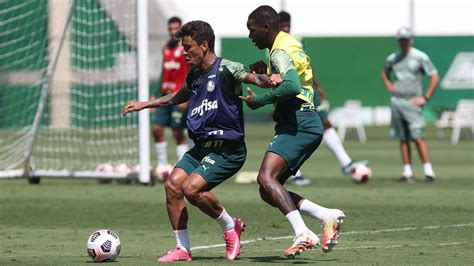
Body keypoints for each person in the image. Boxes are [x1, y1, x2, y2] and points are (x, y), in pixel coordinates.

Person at [123, 20, 281, 262]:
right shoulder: (195, 74)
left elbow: (254, 78)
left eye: (188, 47)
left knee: (191, 189)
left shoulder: (227, 68)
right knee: (173, 185)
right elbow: (179, 96)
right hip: (201, 148)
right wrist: (146, 104)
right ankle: (182, 249)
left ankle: (231, 228)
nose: (184, 53)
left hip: (228, 150)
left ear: (204, 45)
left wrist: (270, 79)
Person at [243, 6, 345, 258]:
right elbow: (291, 77)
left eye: (252, 30)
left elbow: (292, 85)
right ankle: (325, 215)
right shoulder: (286, 44)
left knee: (266, 178)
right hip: (305, 121)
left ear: (266, 28)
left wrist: (261, 100)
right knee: (268, 190)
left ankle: (303, 232)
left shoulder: (279, 50)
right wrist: (267, 74)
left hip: (298, 121)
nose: (250, 36)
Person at [279, 11, 370, 185]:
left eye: (287, 25)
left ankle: (346, 163)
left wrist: (317, 85)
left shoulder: (297, 41)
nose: (286, 29)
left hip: (308, 90)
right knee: (294, 130)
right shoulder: (276, 45)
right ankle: (295, 173)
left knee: (325, 123)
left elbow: (305, 66)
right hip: (292, 93)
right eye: (282, 26)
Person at [381, 27, 439, 183]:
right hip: (397, 101)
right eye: (401, 39)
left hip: (413, 102)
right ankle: (407, 171)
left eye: (406, 39)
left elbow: (434, 76)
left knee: (418, 136)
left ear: (411, 40)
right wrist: (389, 84)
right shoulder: (393, 58)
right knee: (403, 137)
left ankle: (428, 170)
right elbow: (384, 72)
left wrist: (425, 97)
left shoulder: (420, 57)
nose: (403, 42)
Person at [152, 17, 189, 172]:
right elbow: (163, 72)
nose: (173, 32)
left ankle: (182, 166)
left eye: (176, 28)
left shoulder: (187, 48)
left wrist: (188, 97)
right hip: (165, 94)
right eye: (171, 29)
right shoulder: (167, 47)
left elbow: (191, 73)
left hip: (180, 96)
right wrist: (154, 94)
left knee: (177, 131)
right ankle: (162, 164)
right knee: (156, 128)